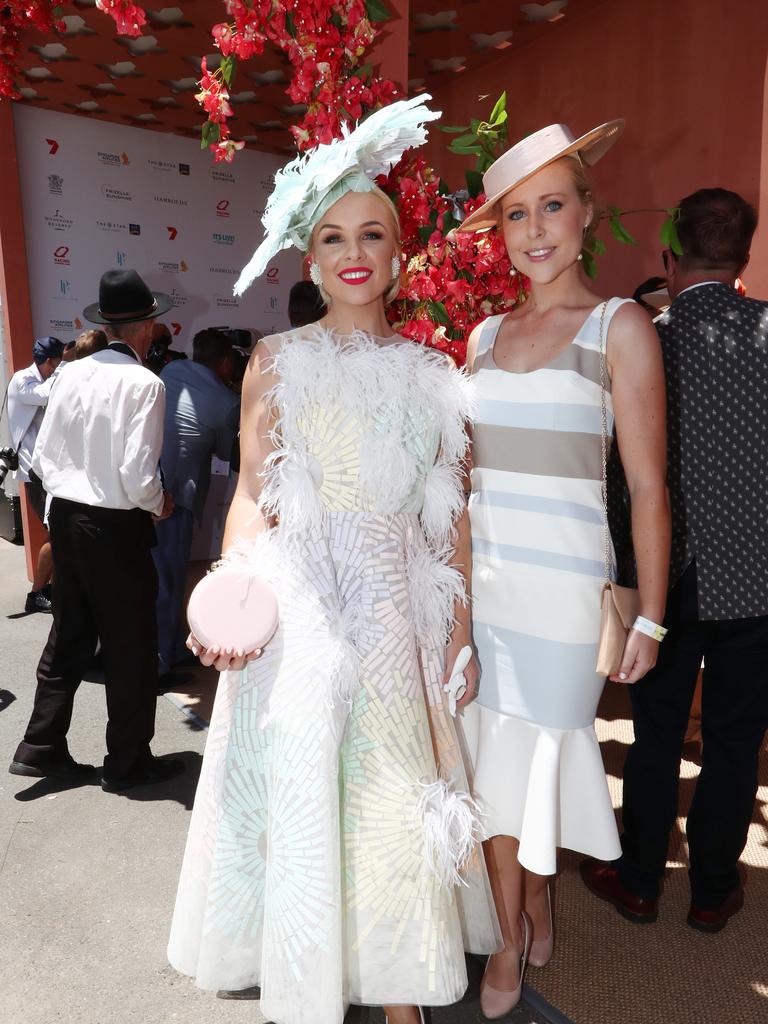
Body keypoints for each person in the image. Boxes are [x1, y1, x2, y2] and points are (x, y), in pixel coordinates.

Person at [167, 96, 500, 1024]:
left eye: (374, 234)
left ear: (399, 254)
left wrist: (460, 634)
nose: (354, 252)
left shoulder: (438, 376)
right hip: (301, 597)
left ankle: (399, 988)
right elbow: (249, 495)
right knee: (309, 782)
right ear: (310, 258)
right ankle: (311, 969)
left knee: (393, 791)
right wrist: (231, 591)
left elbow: (453, 523)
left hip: (397, 606)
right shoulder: (273, 359)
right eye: (334, 237)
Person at [455, 121, 670, 1017]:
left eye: (553, 205)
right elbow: (463, 492)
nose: (536, 230)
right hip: (485, 595)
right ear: (500, 233)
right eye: (516, 215)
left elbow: (651, 489)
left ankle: (518, 927)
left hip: (566, 608)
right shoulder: (477, 339)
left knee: (530, 772)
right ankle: (523, 912)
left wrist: (650, 619)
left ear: (588, 213)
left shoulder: (621, 327)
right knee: (490, 776)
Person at [581, 188, 768, 933]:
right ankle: (714, 889)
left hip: (664, 578)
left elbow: (611, 472)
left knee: (654, 731)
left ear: (669, 257)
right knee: (734, 739)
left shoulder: (639, 341)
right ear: (744, 261)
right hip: (756, 579)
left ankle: (639, 878)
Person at [8, 269, 184, 793]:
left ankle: (41, 745)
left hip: (66, 518)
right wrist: (160, 503)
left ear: (107, 324)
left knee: (69, 634)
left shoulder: (67, 374)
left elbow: (40, 456)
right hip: (114, 526)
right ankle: (128, 762)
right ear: (148, 327)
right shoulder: (145, 383)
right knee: (130, 646)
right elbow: (136, 476)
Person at [154, 328, 240, 676]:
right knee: (169, 580)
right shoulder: (225, 402)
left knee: (160, 577)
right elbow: (227, 453)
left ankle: (171, 649)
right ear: (224, 362)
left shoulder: (173, 371)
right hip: (176, 498)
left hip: (146, 487)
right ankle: (161, 662)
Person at [6, 335, 65, 613]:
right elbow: (43, 396)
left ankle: (49, 588)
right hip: (34, 475)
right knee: (57, 534)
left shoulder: (46, 377)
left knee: (61, 534)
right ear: (48, 361)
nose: (59, 368)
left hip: (50, 472)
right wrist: (65, 372)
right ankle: (36, 593)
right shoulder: (22, 379)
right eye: (57, 363)